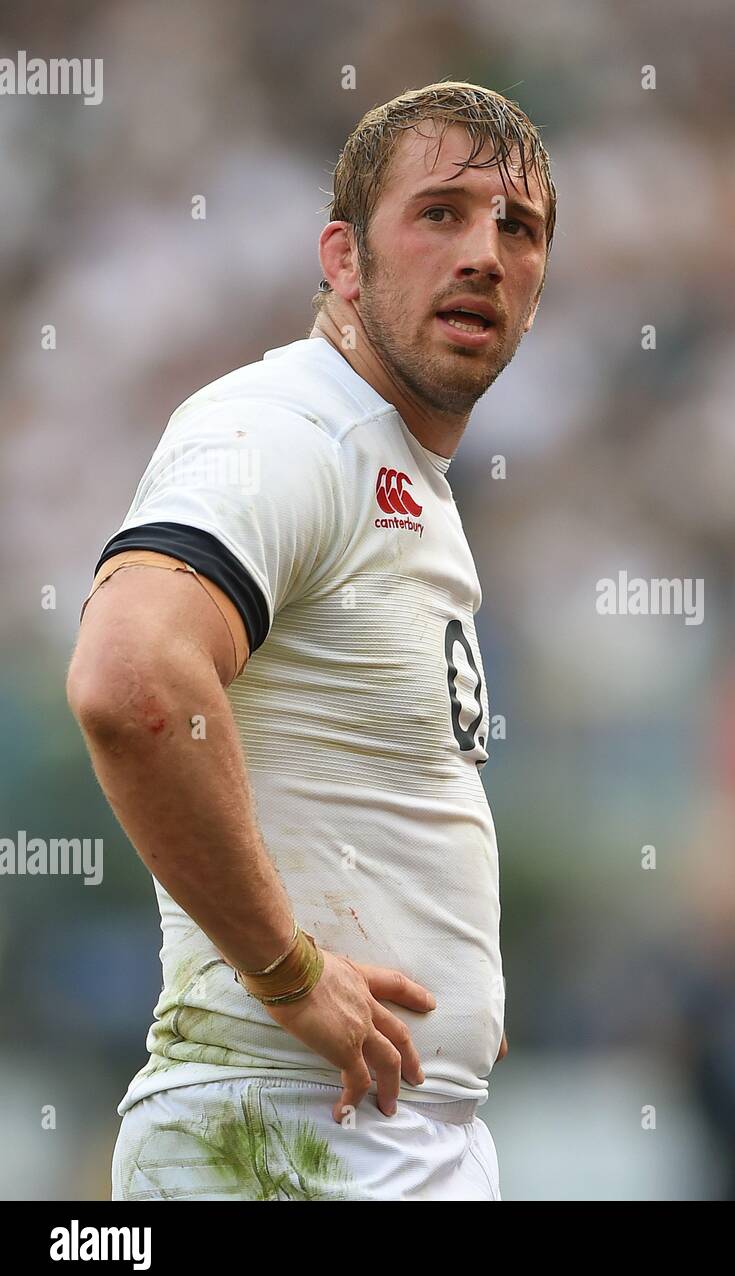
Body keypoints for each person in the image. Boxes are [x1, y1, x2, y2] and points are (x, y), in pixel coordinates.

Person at [66, 80, 555, 1201]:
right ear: (343, 257)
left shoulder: (398, 470)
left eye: (517, 229)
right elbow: (132, 678)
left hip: (377, 1127)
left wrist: (457, 995)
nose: (484, 251)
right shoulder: (287, 427)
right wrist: (289, 974)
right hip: (285, 1129)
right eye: (441, 212)